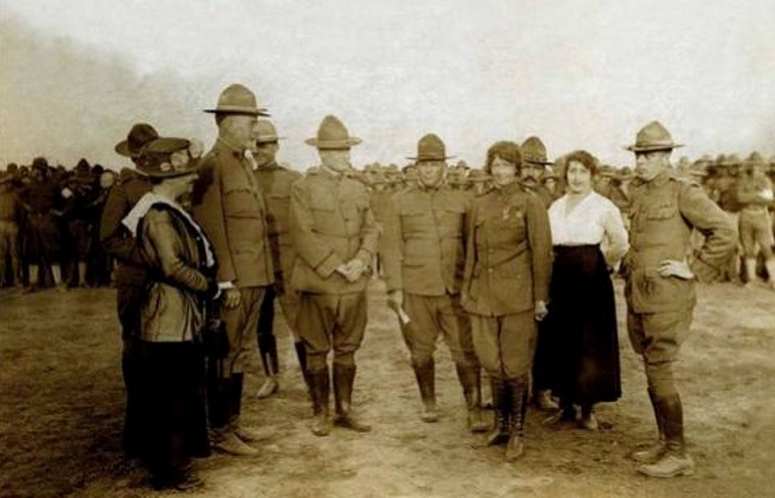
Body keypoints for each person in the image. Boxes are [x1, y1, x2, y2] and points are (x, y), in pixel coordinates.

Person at [622, 121, 736, 478]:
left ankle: (678, 452)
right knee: (651, 368)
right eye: (638, 155)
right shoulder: (639, 192)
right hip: (641, 294)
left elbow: (725, 231)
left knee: (660, 369)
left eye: (649, 156)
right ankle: (664, 441)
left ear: (666, 157)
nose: (641, 162)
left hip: (668, 298)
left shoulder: (683, 191)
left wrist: (696, 268)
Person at [123, 136, 216, 490]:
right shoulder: (160, 217)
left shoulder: (168, 212)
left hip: (175, 315)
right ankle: (167, 471)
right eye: (188, 173)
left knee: (175, 392)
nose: (194, 178)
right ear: (169, 178)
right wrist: (210, 287)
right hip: (167, 318)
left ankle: (171, 465)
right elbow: (172, 267)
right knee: (170, 395)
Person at [381, 134, 487, 431]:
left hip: (454, 290)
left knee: (465, 350)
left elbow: (472, 246)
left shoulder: (463, 200)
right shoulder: (398, 202)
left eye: (434, 164)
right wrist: (395, 288)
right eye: (423, 165)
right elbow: (391, 247)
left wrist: (473, 285)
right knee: (420, 351)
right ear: (416, 167)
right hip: (416, 289)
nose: (428, 170)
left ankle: (474, 407)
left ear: (444, 166)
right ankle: (428, 401)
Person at [191, 83, 274, 455]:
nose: (255, 128)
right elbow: (212, 227)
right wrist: (225, 280)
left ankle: (232, 424)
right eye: (248, 121)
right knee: (223, 353)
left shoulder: (242, 162)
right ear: (225, 123)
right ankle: (219, 430)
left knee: (239, 352)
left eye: (255, 120)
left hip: (255, 274)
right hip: (235, 279)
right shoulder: (214, 164)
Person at [461, 141, 552, 462]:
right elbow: (470, 251)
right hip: (482, 298)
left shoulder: (531, 203)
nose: (500, 171)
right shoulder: (479, 204)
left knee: (515, 367)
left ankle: (518, 431)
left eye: (506, 165)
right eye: (495, 165)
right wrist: (467, 292)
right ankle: (499, 425)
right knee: (492, 364)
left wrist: (540, 298)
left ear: (516, 168)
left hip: (517, 299)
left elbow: (541, 254)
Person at [289, 115, 379, 436]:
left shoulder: (358, 187)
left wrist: (362, 260)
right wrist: (335, 264)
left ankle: (345, 410)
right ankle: (321, 412)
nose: (346, 156)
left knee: (348, 348)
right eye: (340, 151)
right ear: (323, 154)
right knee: (315, 350)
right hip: (319, 284)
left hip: (353, 285)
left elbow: (371, 228)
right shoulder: (303, 187)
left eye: (347, 150)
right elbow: (302, 234)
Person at [544, 150, 629, 430]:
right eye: (572, 171)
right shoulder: (556, 207)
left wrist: (601, 264)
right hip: (560, 278)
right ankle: (566, 405)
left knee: (590, 342)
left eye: (583, 171)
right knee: (561, 338)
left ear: (593, 175)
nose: (576, 177)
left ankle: (589, 409)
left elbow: (620, 242)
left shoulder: (603, 206)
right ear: (565, 175)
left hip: (591, 279)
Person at [101, 123, 158, 457]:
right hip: (135, 281)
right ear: (137, 155)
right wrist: (145, 256)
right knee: (136, 354)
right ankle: (136, 435)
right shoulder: (124, 189)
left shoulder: (160, 184)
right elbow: (109, 237)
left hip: (163, 281)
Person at [252, 118, 310, 398]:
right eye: (255, 145)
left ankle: (314, 384)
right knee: (262, 328)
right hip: (258, 266)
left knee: (299, 326)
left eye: (264, 144)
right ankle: (271, 376)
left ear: (275, 145)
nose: (258, 150)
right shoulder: (246, 179)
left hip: (288, 265)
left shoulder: (293, 179)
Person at [19, 157, 66, 292]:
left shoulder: (54, 183)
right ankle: (33, 284)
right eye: (34, 168)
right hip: (34, 221)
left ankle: (58, 283)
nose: (34, 171)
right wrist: (27, 207)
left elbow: (69, 197)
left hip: (48, 220)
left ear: (42, 170)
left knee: (53, 251)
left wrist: (61, 212)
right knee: (33, 251)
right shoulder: (29, 184)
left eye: (36, 168)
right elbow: (19, 196)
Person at [736, 152, 775, 288]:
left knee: (766, 248)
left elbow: (770, 201)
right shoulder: (743, 180)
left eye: (759, 165)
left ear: (763, 167)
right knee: (748, 248)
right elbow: (740, 198)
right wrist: (758, 196)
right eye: (753, 165)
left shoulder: (766, 181)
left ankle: (773, 279)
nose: (756, 168)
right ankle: (751, 279)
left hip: (761, 215)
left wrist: (750, 196)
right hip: (746, 215)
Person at [0, 173, 22, 288]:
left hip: (12, 224)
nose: (6, 185)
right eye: (4, 183)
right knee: (1, 255)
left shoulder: (15, 196)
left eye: (8, 183)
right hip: (1, 224)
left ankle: (16, 279)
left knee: (15, 253)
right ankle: (2, 279)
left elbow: (20, 212)